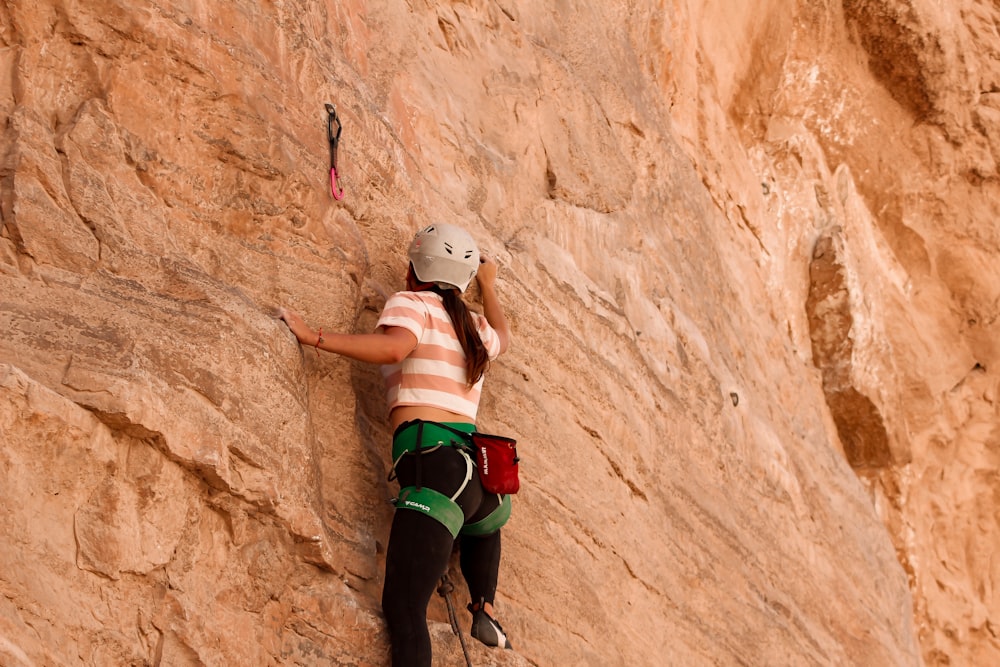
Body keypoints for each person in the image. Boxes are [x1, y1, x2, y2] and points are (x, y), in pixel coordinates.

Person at [278, 222, 513, 666]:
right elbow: (505, 336)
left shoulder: (412, 303)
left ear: (413, 270)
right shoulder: (475, 325)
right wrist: (489, 285)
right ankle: (485, 606)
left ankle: (481, 606)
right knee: (482, 525)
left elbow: (393, 348)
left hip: (435, 466)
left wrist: (314, 337)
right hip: (479, 481)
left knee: (405, 611)